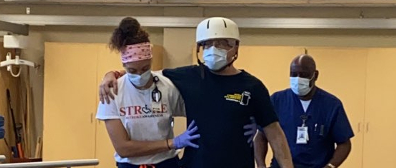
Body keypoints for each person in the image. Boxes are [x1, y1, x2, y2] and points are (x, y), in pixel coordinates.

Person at [100, 17, 294, 168]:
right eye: (208, 44)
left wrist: (255, 126)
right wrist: (111, 74)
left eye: (222, 43)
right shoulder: (187, 77)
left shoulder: (253, 87)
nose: (214, 49)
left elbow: (275, 134)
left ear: (235, 47)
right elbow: (142, 73)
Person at [95, 17, 200, 168]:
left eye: (145, 69)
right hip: (131, 164)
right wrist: (172, 143)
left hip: (166, 163)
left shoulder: (167, 86)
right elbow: (123, 148)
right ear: (124, 65)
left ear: (151, 62)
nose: (139, 75)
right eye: (132, 70)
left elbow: (198, 110)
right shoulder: (112, 93)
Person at [254, 54, 354, 168]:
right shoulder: (277, 101)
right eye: (294, 74)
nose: (298, 79)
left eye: (303, 75)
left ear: (315, 75)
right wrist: (261, 165)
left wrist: (330, 166)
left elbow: (344, 144)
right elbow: (261, 136)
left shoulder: (332, 105)